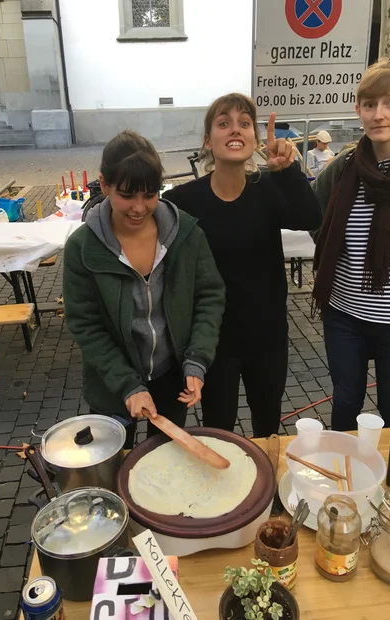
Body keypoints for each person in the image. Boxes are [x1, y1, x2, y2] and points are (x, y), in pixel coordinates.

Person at [163, 94, 321, 437]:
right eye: (224, 123)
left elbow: (311, 217)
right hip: (213, 341)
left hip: (267, 338)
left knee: (267, 427)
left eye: (244, 123)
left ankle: (266, 491)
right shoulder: (182, 202)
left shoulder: (268, 189)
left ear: (254, 138)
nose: (235, 130)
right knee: (219, 431)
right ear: (208, 140)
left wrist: (286, 171)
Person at [63, 131, 225, 448]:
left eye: (150, 194)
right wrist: (127, 385)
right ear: (104, 185)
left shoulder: (186, 234)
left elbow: (210, 298)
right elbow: (86, 324)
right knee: (115, 468)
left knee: (163, 465)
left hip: (171, 377)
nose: (139, 207)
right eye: (127, 195)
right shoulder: (82, 248)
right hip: (112, 385)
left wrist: (197, 360)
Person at [312, 47, 390, 431]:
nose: (378, 114)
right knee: (345, 402)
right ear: (358, 109)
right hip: (345, 315)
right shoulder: (343, 167)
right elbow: (314, 217)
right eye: (369, 103)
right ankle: (340, 483)